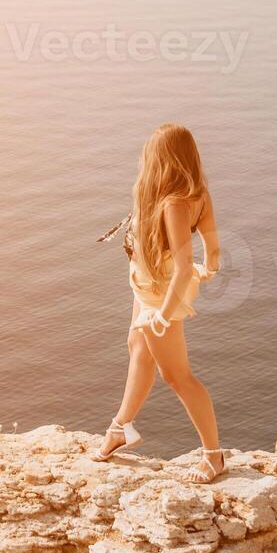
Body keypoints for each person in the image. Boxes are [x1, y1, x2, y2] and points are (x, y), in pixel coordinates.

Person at [93, 124, 226, 482]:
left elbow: (183, 270)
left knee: (177, 376)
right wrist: (210, 269)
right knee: (137, 347)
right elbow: (213, 251)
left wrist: (163, 317)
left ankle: (214, 456)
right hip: (148, 287)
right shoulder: (197, 194)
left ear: (162, 159)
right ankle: (121, 427)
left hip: (159, 295)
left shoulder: (173, 204)